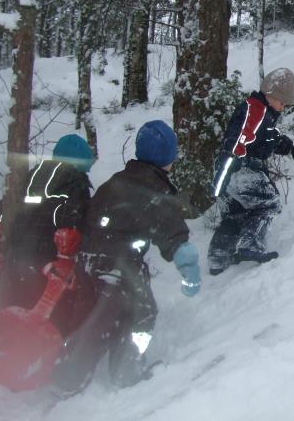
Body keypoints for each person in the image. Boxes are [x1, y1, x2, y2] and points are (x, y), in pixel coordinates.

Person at [52, 120, 201, 393]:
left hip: (89, 261)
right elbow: (171, 229)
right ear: (167, 156)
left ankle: (68, 376)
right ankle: (124, 370)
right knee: (143, 314)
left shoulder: (117, 180)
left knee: (100, 318)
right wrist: (188, 265)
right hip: (120, 266)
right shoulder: (153, 190)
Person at [0, 133, 94, 335]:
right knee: (51, 324)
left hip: (16, 260)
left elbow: (5, 207)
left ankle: (7, 356)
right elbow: (74, 222)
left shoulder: (33, 177)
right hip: (49, 267)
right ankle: (56, 358)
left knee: (14, 318)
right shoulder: (76, 183)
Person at [207, 68, 294, 276]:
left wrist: (291, 150)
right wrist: (229, 168)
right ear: (271, 95)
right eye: (282, 103)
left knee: (236, 212)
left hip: (234, 171)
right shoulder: (255, 110)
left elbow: (270, 137)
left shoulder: (265, 113)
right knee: (269, 203)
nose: (283, 108)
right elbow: (237, 138)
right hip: (241, 168)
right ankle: (250, 246)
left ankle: (218, 256)